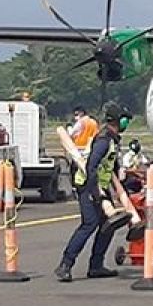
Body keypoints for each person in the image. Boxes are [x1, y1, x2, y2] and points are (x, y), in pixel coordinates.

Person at [55, 111, 122, 282]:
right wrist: (96, 195)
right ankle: (65, 264)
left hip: (101, 186)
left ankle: (96, 266)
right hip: (88, 186)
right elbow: (91, 167)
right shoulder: (103, 141)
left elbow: (110, 169)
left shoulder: (112, 140)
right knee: (89, 223)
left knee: (108, 225)